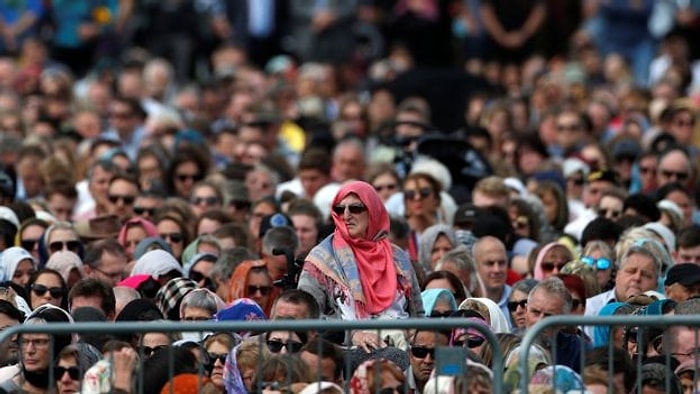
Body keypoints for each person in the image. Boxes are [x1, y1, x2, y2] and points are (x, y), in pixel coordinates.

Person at [298, 181, 424, 351]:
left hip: (402, 350)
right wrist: (353, 335)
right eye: (340, 209)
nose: (346, 215)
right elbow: (306, 315)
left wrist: (413, 335)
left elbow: (418, 314)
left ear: (373, 210)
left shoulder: (398, 257)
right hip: (346, 356)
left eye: (355, 208)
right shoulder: (320, 260)